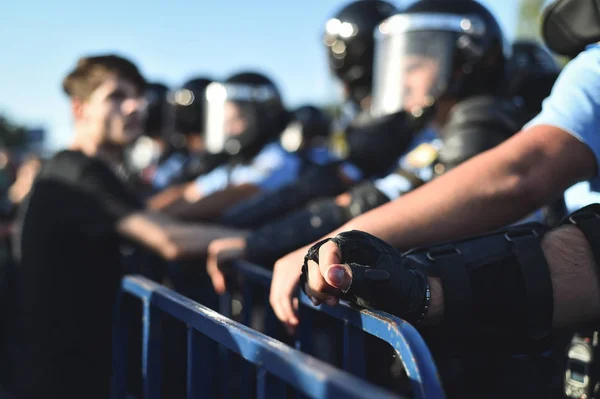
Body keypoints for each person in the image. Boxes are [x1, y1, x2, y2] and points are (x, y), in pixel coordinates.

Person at [3, 54, 243, 399]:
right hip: (56, 378)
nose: (134, 107)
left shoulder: (78, 169)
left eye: (138, 96)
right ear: (79, 108)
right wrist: (263, 241)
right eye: (116, 97)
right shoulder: (78, 172)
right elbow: (168, 239)